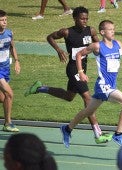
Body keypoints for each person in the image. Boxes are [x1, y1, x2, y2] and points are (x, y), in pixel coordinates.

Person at [25, 6, 112, 144]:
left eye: (86, 18)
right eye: (82, 18)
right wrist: (59, 50)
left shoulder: (91, 30)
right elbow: (50, 37)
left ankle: (40, 88)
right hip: (73, 69)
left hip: (83, 68)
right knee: (88, 99)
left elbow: (98, 44)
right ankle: (98, 134)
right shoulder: (66, 32)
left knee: (69, 96)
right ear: (75, 18)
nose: (85, 21)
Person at [60, 19, 122, 148]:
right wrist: (81, 72)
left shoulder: (118, 44)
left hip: (111, 85)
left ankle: (67, 129)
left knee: (87, 112)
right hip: (104, 86)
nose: (113, 31)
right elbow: (79, 55)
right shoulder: (97, 46)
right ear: (102, 32)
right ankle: (118, 134)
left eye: (113, 29)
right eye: (110, 29)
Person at [0, 10, 21, 132]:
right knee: (9, 94)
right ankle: (7, 123)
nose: (4, 22)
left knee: (3, 99)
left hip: (5, 68)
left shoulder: (9, 33)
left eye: (6, 20)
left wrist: (17, 61)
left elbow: (12, 47)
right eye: (2, 20)